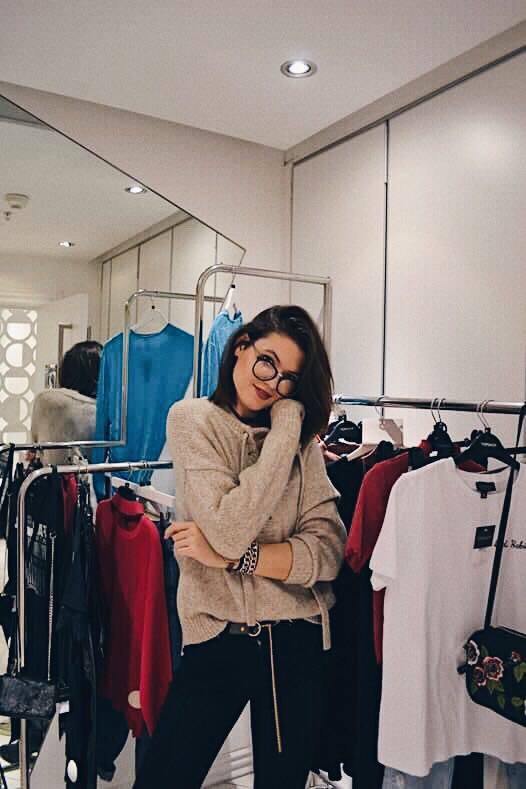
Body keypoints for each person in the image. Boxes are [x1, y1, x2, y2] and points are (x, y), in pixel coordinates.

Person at [134, 305, 346, 789]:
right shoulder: (193, 421)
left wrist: (240, 559)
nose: (273, 383)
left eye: (289, 378)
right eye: (267, 361)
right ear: (242, 345)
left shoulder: (301, 443)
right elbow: (229, 529)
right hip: (218, 634)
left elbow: (329, 550)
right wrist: (284, 438)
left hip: (296, 639)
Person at [31, 340, 102, 464]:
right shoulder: (104, 410)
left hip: (48, 473)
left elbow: (35, 441)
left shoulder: (44, 400)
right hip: (93, 474)